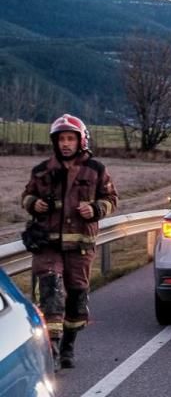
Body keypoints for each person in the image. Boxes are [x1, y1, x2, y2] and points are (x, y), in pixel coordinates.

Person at [21, 114, 118, 369]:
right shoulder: (41, 171)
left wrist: (97, 209)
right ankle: (50, 348)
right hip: (47, 244)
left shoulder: (96, 170)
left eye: (70, 138)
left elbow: (112, 199)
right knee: (51, 290)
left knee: (76, 296)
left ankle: (68, 346)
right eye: (61, 139)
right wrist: (34, 203)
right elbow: (26, 196)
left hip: (80, 246)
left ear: (80, 140)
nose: (65, 143)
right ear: (55, 142)